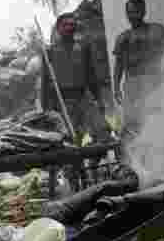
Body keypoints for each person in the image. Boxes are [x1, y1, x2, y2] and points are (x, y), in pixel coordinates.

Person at [38, 12, 110, 144]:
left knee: (104, 132)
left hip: (83, 97)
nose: (69, 28)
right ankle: (77, 163)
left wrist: (99, 100)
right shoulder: (49, 51)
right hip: (61, 101)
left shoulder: (83, 48)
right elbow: (45, 81)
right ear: (58, 28)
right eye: (65, 25)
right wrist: (45, 109)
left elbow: (91, 76)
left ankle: (94, 158)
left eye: (72, 25)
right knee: (71, 139)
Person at [112, 0, 164, 139]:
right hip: (132, 84)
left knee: (157, 115)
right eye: (128, 12)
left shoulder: (157, 30)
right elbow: (119, 65)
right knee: (133, 121)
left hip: (154, 81)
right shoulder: (123, 38)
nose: (131, 16)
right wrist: (116, 87)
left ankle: (161, 147)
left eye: (135, 11)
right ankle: (133, 153)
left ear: (143, 11)